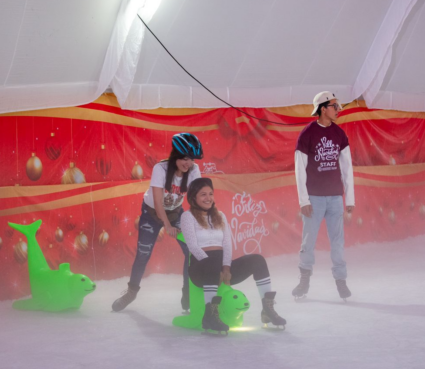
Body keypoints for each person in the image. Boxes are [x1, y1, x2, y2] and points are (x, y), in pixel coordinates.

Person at [112, 133, 203, 312]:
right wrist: (167, 226)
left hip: (176, 213)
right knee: (143, 254)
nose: (188, 163)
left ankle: (188, 293)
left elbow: (196, 197)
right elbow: (158, 200)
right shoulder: (160, 169)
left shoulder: (193, 170)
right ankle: (131, 291)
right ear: (176, 155)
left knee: (191, 251)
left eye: (191, 159)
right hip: (152, 213)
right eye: (184, 158)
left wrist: (195, 221)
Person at [180, 177, 286, 332]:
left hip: (222, 268)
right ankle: (210, 315)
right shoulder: (187, 217)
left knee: (257, 260)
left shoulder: (220, 216)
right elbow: (193, 247)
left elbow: (227, 244)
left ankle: (267, 309)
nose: (208, 198)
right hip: (200, 268)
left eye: (210, 194)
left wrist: (226, 268)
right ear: (193, 197)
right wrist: (215, 267)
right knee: (210, 262)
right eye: (203, 194)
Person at [293, 91, 355, 301]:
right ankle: (304, 281)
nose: (338, 110)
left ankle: (341, 282)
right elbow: (300, 169)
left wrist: (350, 199)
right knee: (308, 241)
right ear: (322, 108)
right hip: (314, 198)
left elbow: (347, 169)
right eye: (334, 106)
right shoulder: (307, 134)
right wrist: (304, 200)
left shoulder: (339, 134)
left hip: (335, 198)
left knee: (337, 241)